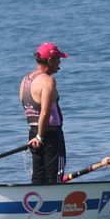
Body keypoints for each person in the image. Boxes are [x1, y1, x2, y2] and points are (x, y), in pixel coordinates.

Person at [21, 42, 67, 183]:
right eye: (58, 58)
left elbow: (27, 110)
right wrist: (41, 137)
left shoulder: (25, 80)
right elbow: (45, 113)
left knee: (38, 176)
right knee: (55, 176)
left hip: (33, 132)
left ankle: (35, 201)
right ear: (50, 60)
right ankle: (54, 202)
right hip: (50, 134)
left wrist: (37, 135)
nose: (60, 61)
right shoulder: (48, 81)